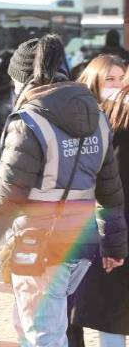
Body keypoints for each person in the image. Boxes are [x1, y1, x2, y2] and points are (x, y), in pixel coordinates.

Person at [0, 35, 127, 347]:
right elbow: (110, 192)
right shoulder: (98, 116)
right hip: (82, 247)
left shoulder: (29, 120)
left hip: (40, 246)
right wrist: (114, 247)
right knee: (31, 325)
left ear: (22, 79)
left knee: (43, 336)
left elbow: (5, 197)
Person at [71, 83, 129, 347]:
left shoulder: (110, 112)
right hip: (115, 226)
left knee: (111, 312)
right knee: (111, 309)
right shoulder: (113, 112)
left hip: (114, 224)